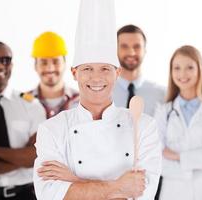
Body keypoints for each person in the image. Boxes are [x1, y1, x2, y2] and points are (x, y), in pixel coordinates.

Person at [33, 0, 161, 199]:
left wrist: (74, 181)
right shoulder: (52, 130)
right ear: (74, 73)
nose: (96, 78)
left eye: (105, 69)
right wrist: (119, 186)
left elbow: (141, 194)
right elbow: (49, 195)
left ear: (117, 73)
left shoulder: (144, 126)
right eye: (87, 69)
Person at [0, 41, 45, 200]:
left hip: (26, 194)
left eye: (5, 60)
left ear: (12, 65)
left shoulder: (31, 105)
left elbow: (37, 156)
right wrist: (23, 158)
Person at [154, 45, 202, 200]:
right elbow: (157, 159)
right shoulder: (164, 112)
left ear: (200, 69)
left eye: (189, 67)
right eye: (176, 68)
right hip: (172, 193)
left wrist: (178, 156)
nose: (182, 74)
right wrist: (195, 166)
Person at [113, 24, 165, 116]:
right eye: (124, 46)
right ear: (115, 50)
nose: (131, 52)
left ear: (144, 50)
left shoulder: (162, 94)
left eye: (137, 46)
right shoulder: (103, 93)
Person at [28, 31, 79, 119]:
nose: (50, 68)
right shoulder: (23, 102)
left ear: (65, 64)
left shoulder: (81, 102)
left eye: (56, 62)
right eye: (43, 62)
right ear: (35, 66)